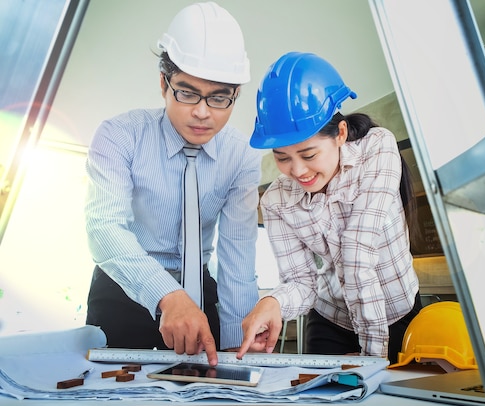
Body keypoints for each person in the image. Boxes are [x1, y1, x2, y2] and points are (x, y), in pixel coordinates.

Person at [84, 2, 262, 366]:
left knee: (211, 392)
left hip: (199, 288)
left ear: (235, 96)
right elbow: (103, 228)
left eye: (218, 98)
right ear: (164, 83)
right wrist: (168, 294)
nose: (202, 111)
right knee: (113, 395)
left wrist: (235, 348)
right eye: (187, 92)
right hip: (123, 285)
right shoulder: (119, 136)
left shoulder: (242, 155)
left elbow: (237, 259)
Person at [238, 52, 422, 363]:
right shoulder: (275, 202)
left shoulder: (378, 148)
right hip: (331, 322)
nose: (297, 171)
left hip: (400, 315)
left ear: (340, 134)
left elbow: (357, 249)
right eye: (282, 157)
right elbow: (301, 282)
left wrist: (372, 359)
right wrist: (273, 302)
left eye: (308, 155)